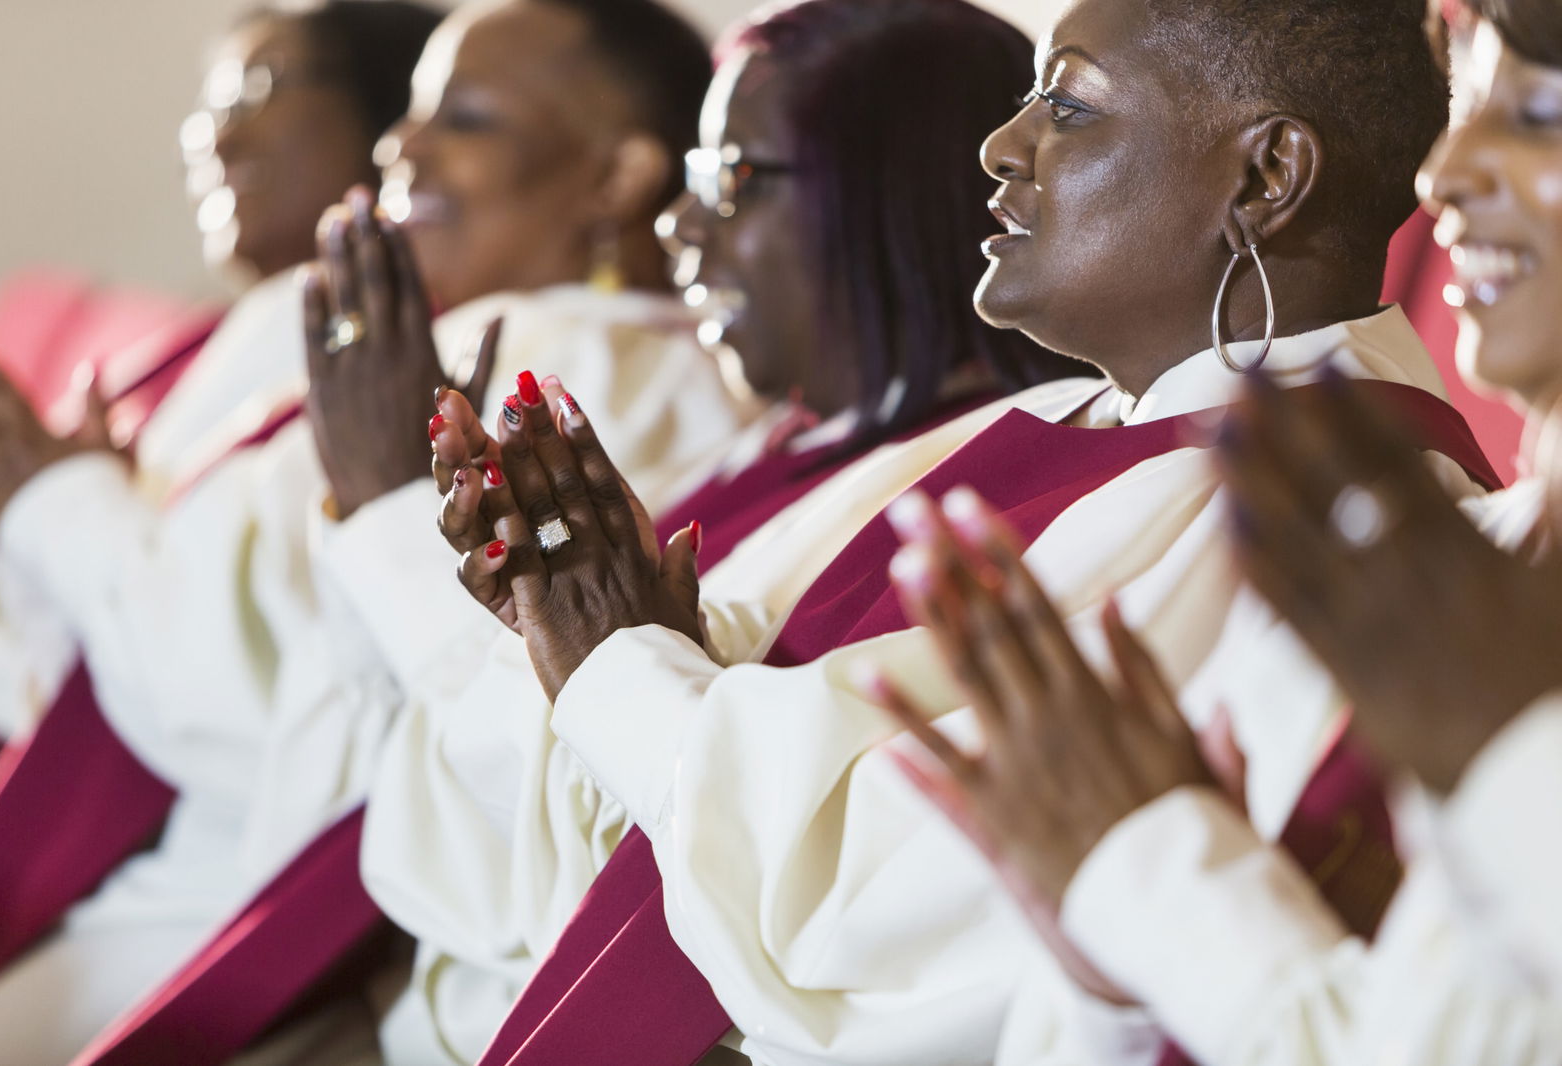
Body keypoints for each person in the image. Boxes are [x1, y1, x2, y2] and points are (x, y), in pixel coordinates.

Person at [426, 0, 1493, 1061]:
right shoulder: (1068, 423)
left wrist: (621, 668)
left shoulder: (1327, 521)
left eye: (1068, 104)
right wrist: (595, 628)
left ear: (1265, 180)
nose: (1001, 145)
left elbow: (901, 905)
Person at [366, 1, 1080, 1060]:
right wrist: (554, 631)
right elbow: (465, 845)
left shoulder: (978, 491)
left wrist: (603, 659)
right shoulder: (783, 443)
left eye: (728, 180)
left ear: (883, 191)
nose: (678, 225)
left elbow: (735, 870)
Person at [868, 4, 1562, 1064]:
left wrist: (1149, 873)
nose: (1443, 174)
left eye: (1541, 111)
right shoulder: (1474, 559)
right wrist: (1111, 945)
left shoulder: (1382, 526)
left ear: (1267, 176)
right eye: (1469, 111)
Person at [0, 4, 442, 1063]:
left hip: (209, 864)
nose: (216, 135)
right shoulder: (218, 343)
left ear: (387, 119)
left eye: (264, 94)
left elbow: (222, 691)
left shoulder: (403, 361)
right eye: (214, 102)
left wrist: (45, 506)